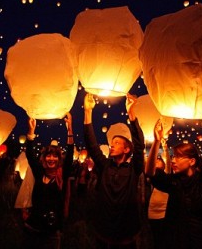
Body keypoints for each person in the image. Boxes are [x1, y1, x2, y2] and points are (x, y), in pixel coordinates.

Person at [145, 116, 202, 249]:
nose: (173, 161)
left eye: (178, 157)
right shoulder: (174, 183)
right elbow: (150, 172)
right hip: (179, 241)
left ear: (192, 161)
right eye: (173, 157)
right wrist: (156, 141)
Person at [83, 92, 145, 248]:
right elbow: (92, 145)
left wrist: (131, 114)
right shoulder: (105, 166)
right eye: (112, 142)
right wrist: (88, 112)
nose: (112, 145)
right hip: (104, 231)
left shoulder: (133, 169)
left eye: (116, 142)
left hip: (126, 234)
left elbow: (139, 146)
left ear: (126, 150)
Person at [22, 112, 74, 249]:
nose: (51, 159)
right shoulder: (40, 173)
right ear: (44, 159)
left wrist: (70, 129)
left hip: (52, 231)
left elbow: (70, 154)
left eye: (55, 156)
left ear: (59, 159)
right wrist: (31, 132)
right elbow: (30, 155)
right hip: (33, 227)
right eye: (48, 156)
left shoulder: (62, 175)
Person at [147, 137, 171, 249]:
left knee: (164, 239)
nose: (157, 162)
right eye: (155, 161)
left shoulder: (166, 175)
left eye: (159, 160)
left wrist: (165, 148)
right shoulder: (151, 177)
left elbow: (169, 164)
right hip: (152, 213)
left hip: (164, 212)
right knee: (155, 238)